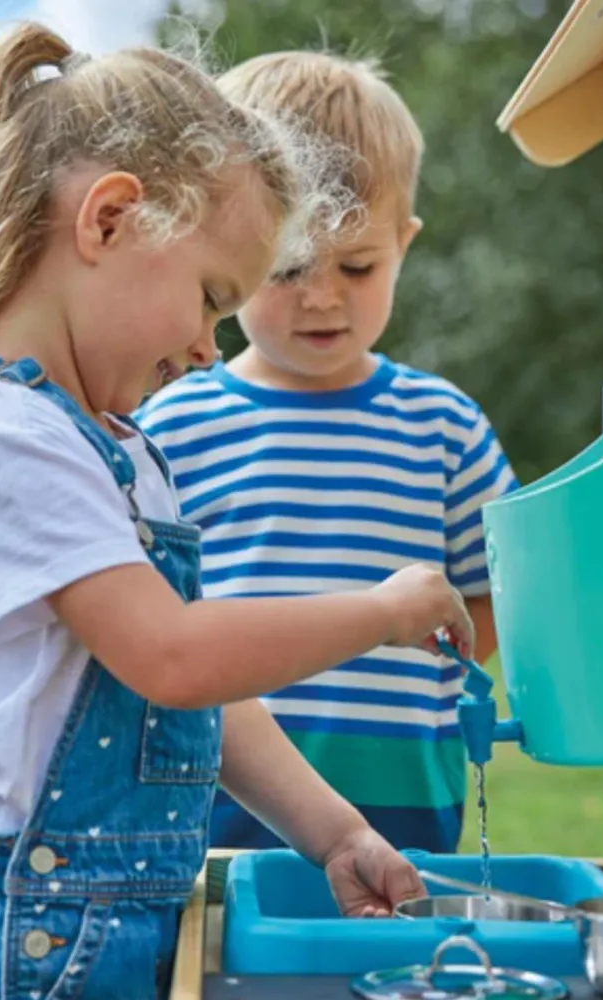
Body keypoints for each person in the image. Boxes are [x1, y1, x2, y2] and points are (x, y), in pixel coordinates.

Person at [0, 23, 475, 1000]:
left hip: (103, 938)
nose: (209, 346)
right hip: (17, 951)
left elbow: (189, 691)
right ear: (109, 220)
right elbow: (173, 652)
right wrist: (380, 612)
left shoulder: (115, 448)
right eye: (208, 296)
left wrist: (333, 830)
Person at [135, 50, 517, 856]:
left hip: (408, 801)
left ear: (405, 245)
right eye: (291, 265)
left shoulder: (443, 425)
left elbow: (497, 596)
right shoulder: (171, 423)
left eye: (358, 265)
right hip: (215, 796)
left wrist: (443, 680)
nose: (322, 295)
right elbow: (153, 621)